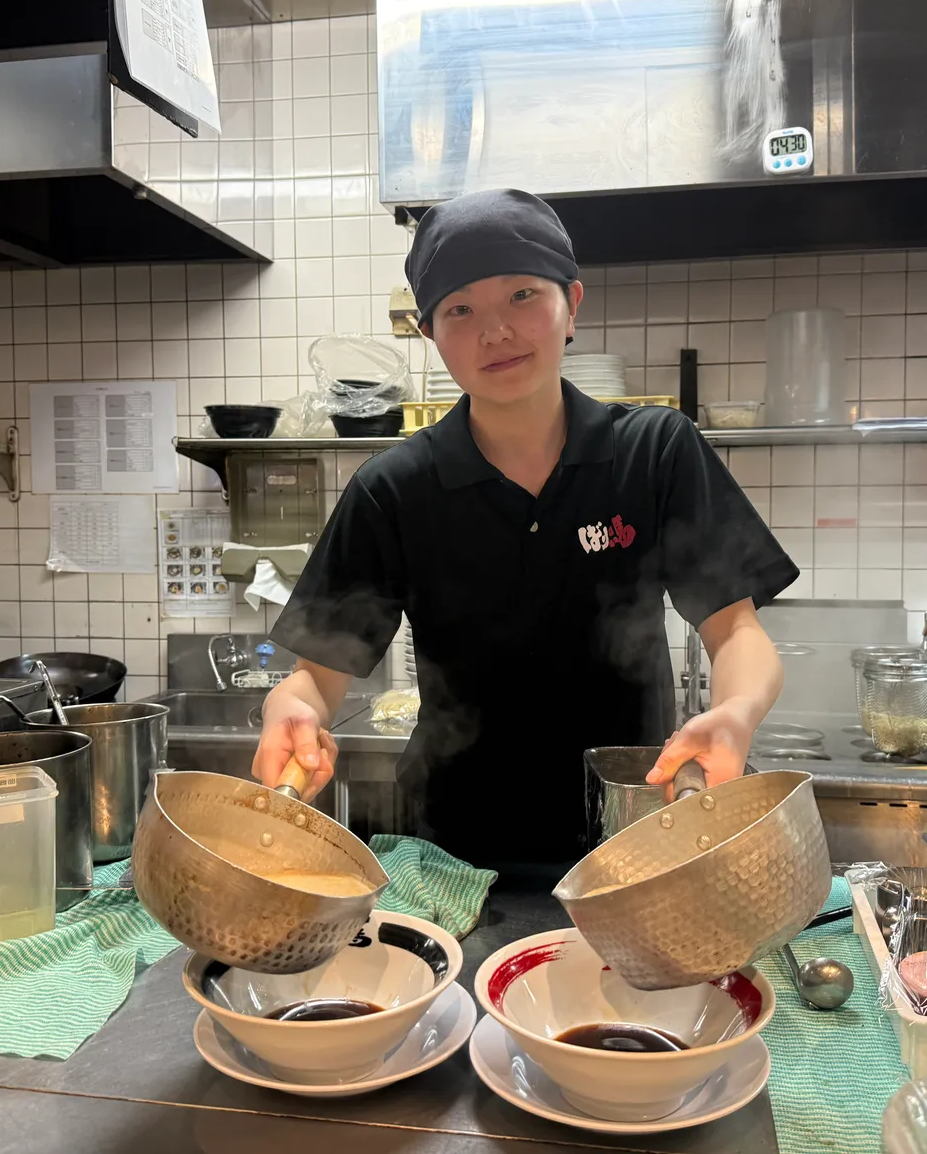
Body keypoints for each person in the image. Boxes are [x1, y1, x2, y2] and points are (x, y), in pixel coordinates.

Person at [253, 188, 799, 868]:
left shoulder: (654, 452)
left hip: (630, 836)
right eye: (460, 309)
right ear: (430, 334)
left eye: (521, 296)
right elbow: (316, 678)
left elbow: (737, 632)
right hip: (453, 855)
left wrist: (736, 712)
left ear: (571, 305)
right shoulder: (392, 490)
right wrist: (292, 709)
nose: (495, 331)